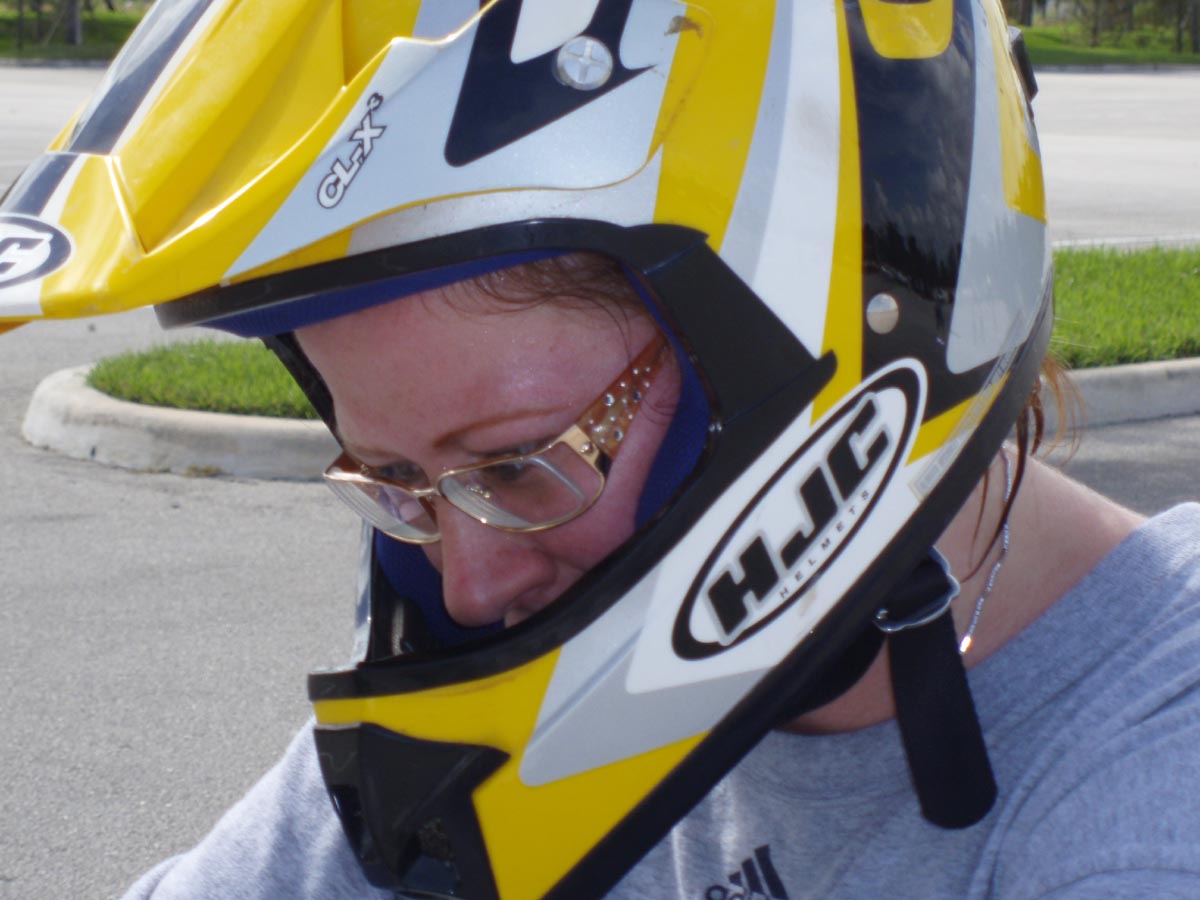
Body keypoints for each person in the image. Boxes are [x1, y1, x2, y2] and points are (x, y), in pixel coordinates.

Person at [2, 0, 1199, 898]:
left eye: (514, 466)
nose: (470, 588)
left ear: (821, 335)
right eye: (400, 482)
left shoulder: (1149, 791)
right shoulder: (521, 723)